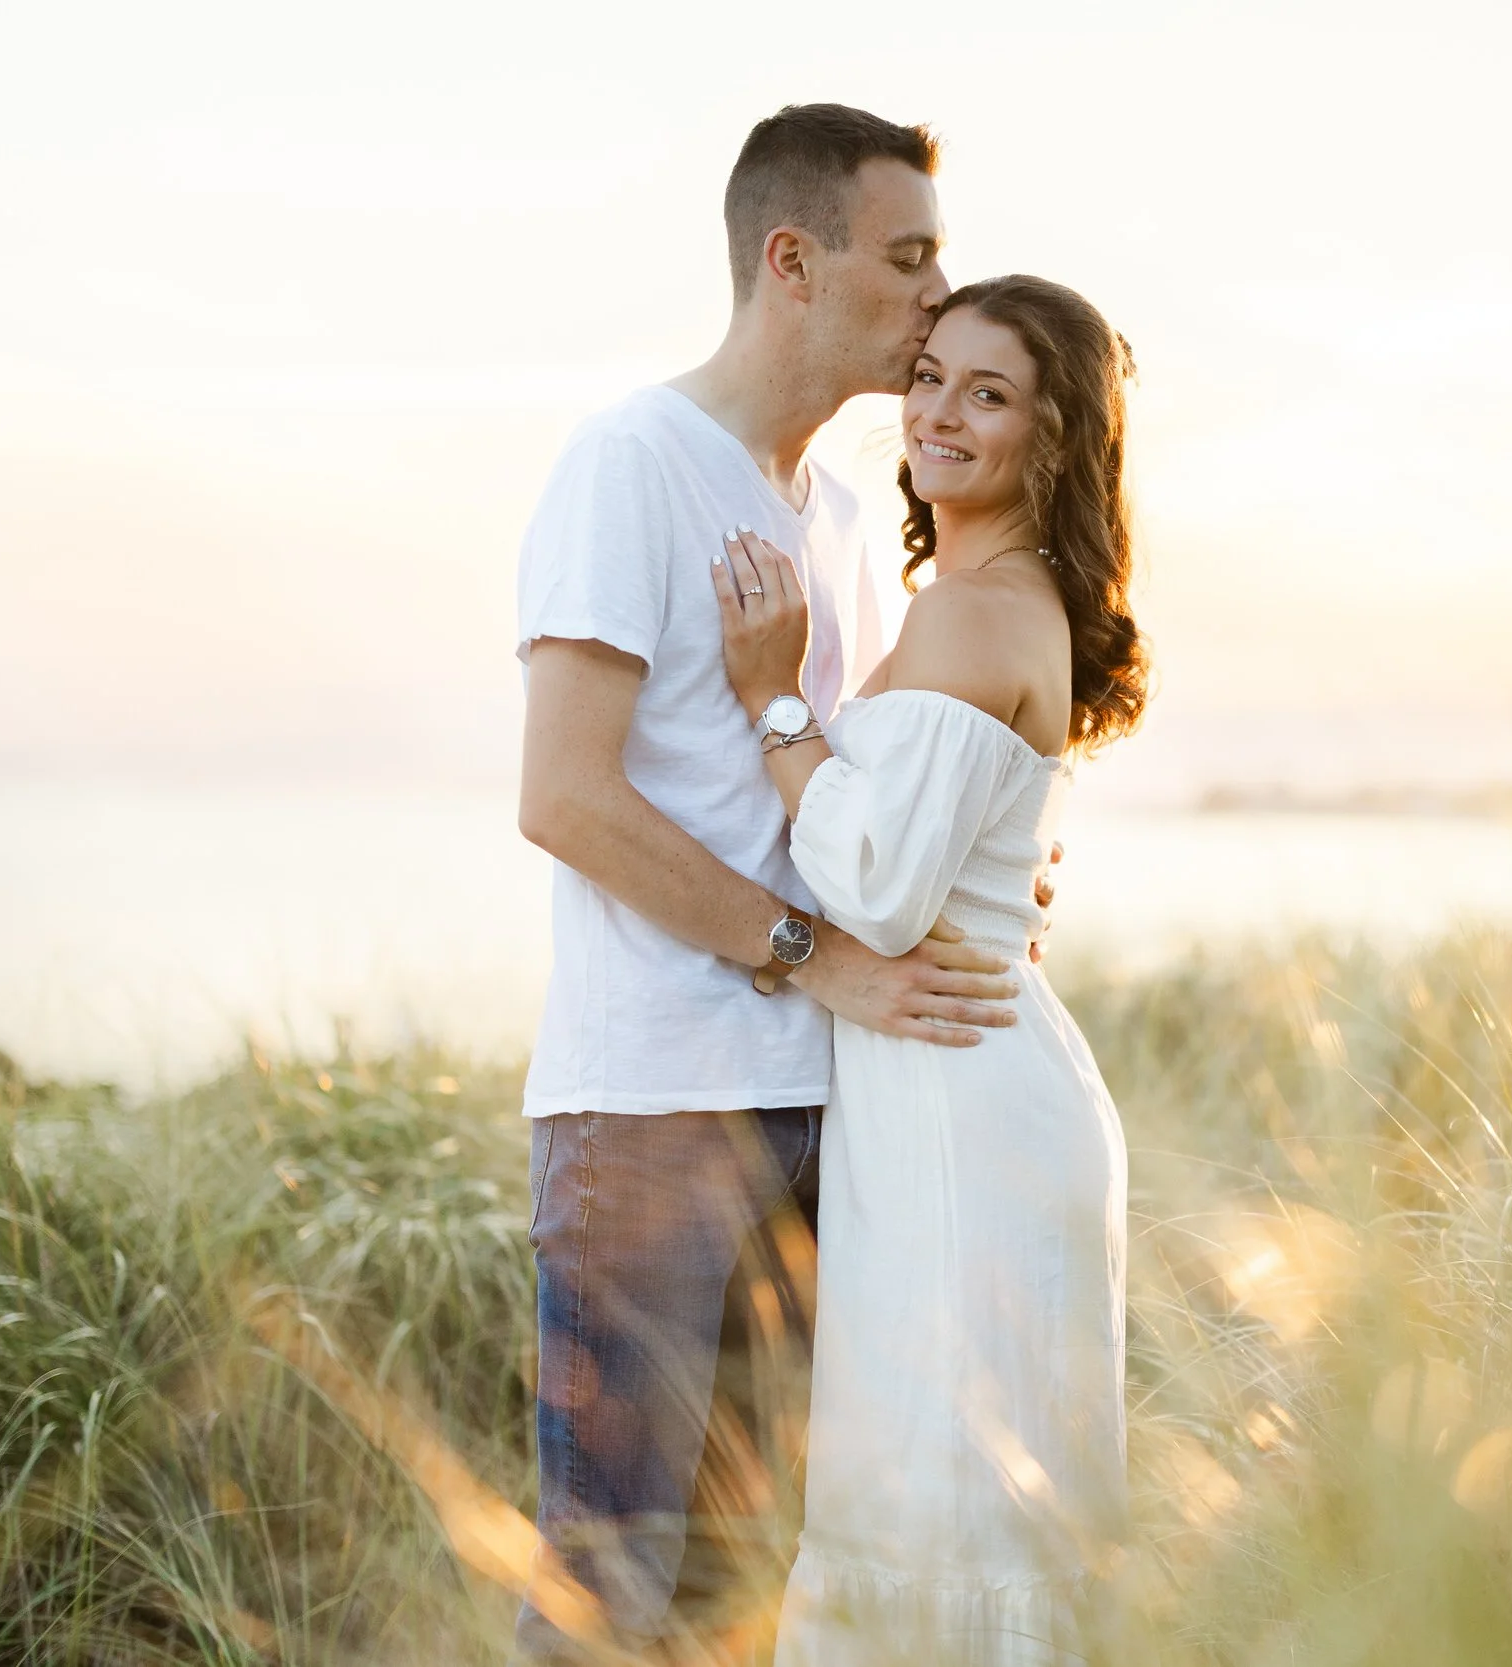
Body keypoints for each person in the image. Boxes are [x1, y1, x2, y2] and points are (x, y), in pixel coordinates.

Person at [511, 105, 1042, 1661]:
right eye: (910, 259)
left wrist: (981, 876)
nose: (939, 300)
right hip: (655, 1114)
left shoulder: (841, 514)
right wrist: (813, 955)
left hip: (825, 1110)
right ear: (792, 262)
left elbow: (850, 791)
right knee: (611, 1588)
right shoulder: (632, 462)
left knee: (755, 1589)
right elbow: (563, 794)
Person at [712, 275, 1147, 1665]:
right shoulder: (977, 597)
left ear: (1055, 439)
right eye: (933, 375)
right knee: (948, 1510)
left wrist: (777, 698)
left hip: (963, 1105)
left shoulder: (978, 609)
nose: (939, 412)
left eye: (990, 392)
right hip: (964, 1081)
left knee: (943, 1514)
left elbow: (884, 891)